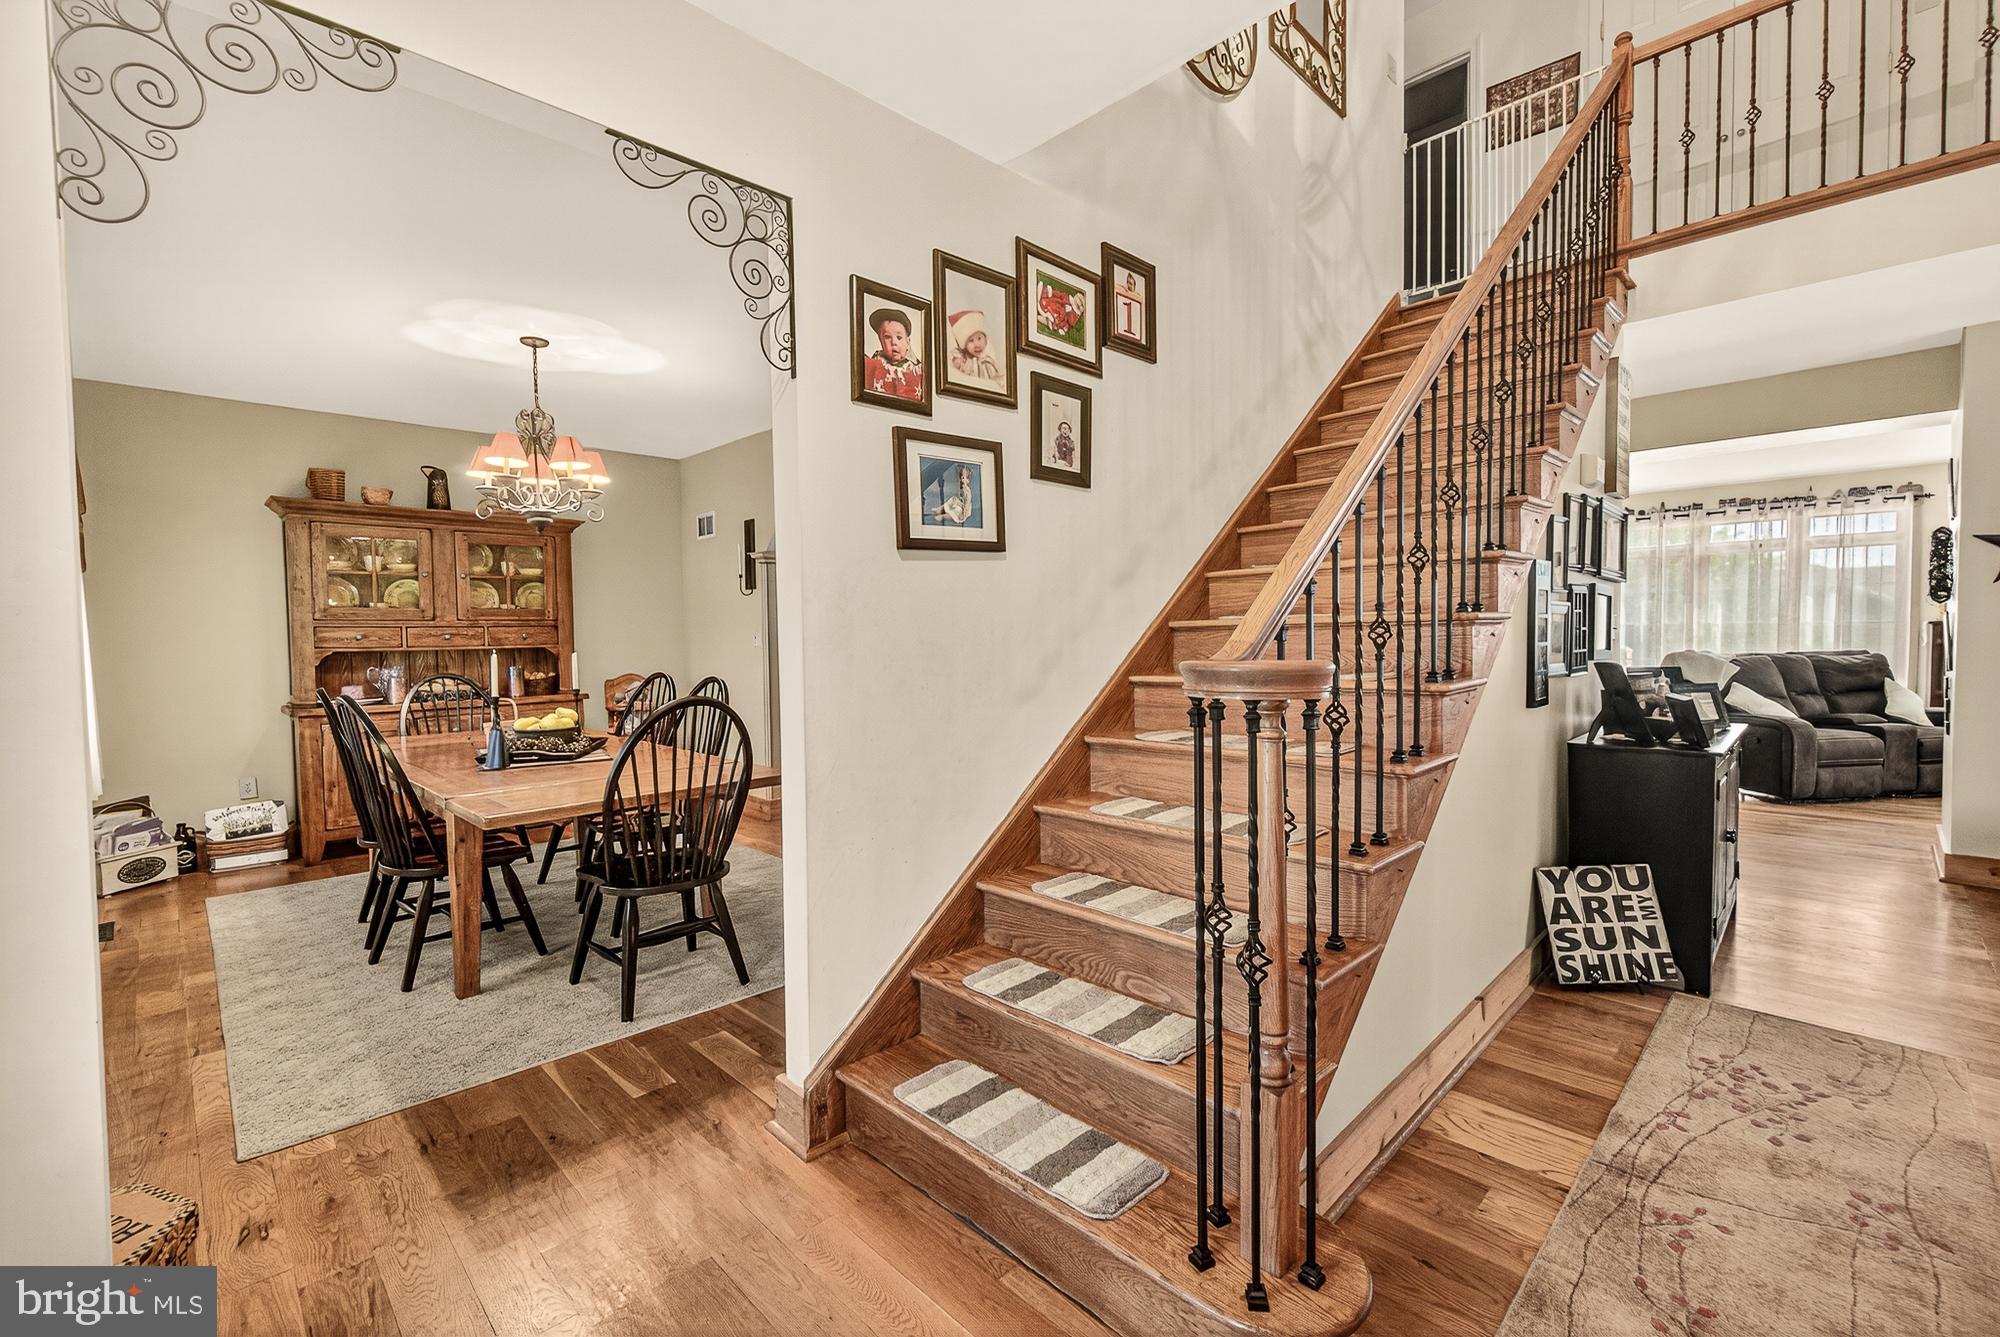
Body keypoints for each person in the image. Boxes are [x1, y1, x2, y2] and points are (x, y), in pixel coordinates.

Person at [863, 306, 925, 401]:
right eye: (887, 337)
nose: (894, 342)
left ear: (908, 342)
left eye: (899, 338)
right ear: (881, 341)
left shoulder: (915, 369)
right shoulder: (875, 364)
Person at [947, 308, 1003, 389]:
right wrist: (957, 360)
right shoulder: (962, 356)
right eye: (971, 340)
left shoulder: (987, 359)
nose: (977, 344)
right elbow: (953, 355)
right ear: (964, 345)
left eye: (979, 338)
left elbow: (988, 380)